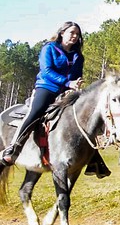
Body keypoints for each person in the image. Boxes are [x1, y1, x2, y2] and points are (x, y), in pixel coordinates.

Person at [1, 22, 111, 178]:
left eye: (77, 34)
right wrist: (67, 82)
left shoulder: (78, 55)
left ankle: (94, 160)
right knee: (35, 112)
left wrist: (75, 84)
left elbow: (76, 75)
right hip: (46, 88)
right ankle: (14, 147)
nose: (75, 36)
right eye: (72, 32)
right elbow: (46, 71)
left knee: (84, 116)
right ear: (62, 33)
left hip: (67, 91)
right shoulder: (49, 48)